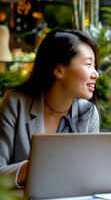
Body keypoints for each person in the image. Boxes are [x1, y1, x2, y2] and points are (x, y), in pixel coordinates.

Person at [0, 29, 100, 188]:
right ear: (59, 69)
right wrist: (35, 166)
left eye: (94, 66)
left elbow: (89, 173)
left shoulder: (88, 112)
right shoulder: (15, 102)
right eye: (88, 65)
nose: (96, 74)